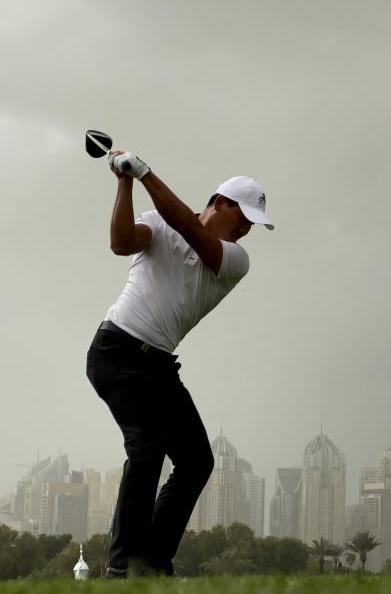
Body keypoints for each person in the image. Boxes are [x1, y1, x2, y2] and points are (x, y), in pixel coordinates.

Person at [85, 149, 274, 577]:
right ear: (220, 202)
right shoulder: (157, 222)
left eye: (252, 224)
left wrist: (145, 172)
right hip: (116, 351)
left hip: (157, 366)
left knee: (196, 461)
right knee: (147, 448)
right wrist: (124, 182)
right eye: (242, 216)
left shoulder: (235, 260)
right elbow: (119, 243)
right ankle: (124, 568)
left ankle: (151, 560)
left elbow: (187, 226)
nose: (246, 228)